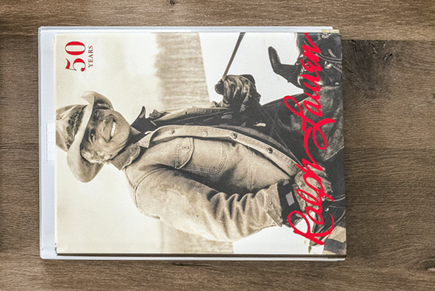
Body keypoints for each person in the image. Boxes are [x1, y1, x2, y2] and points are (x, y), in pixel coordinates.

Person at [55, 36, 345, 250]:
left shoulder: (154, 124)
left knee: (327, 52)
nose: (100, 124)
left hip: (288, 127)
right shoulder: (145, 185)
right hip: (305, 171)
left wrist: (235, 101)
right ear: (95, 157)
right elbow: (220, 219)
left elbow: (224, 133)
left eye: (94, 116)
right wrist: (293, 197)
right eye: (90, 134)